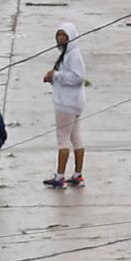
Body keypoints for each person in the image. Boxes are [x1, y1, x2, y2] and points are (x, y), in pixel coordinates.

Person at [42, 22, 87, 188]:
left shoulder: (73, 55)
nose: (60, 38)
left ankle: (59, 177)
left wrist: (57, 75)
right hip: (74, 102)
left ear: (71, 37)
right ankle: (77, 175)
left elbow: (78, 77)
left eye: (64, 36)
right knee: (76, 138)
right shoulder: (67, 54)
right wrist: (52, 78)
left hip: (66, 103)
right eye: (58, 35)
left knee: (63, 139)